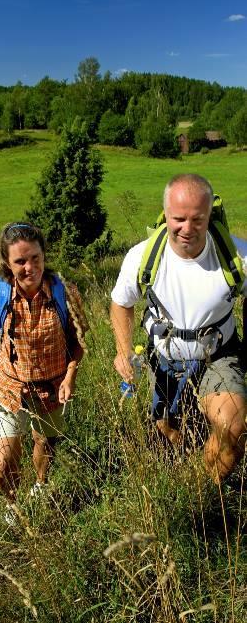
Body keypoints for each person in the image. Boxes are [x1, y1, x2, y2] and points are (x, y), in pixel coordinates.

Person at [110, 174, 246, 485]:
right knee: (165, 437)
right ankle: (185, 466)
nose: (187, 228)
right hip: (164, 359)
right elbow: (121, 304)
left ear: (210, 214)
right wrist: (123, 350)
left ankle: (201, 488)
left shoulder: (237, 255)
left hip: (219, 355)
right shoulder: (143, 258)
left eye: (197, 219)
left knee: (233, 427)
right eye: (178, 219)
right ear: (165, 214)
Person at [0, 222, 87, 515]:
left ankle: (40, 483)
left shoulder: (65, 292)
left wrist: (70, 376)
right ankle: (13, 504)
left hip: (52, 388)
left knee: (43, 442)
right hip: (9, 387)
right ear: (7, 264)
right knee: (1, 468)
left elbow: (79, 342)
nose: (29, 267)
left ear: (43, 255)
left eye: (35, 258)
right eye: (20, 261)